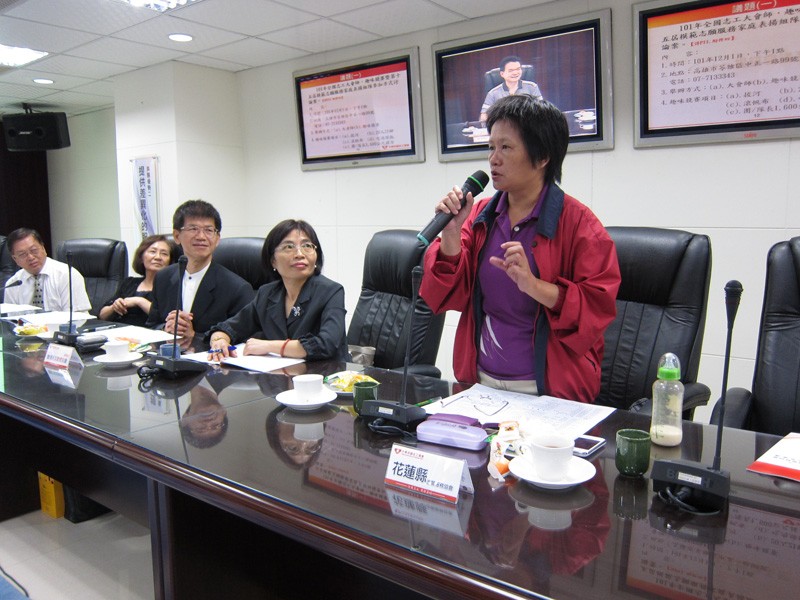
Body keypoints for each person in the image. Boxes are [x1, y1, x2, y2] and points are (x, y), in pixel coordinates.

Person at [420, 95, 620, 403]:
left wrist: (534, 286)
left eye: (506, 147)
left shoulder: (581, 225)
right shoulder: (479, 215)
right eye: (491, 147)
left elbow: (596, 310)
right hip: (481, 384)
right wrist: (450, 233)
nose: (493, 159)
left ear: (542, 157)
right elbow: (444, 293)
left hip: (548, 392)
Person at [207, 219, 348, 362]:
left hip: (326, 373)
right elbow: (230, 327)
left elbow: (326, 344)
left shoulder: (330, 291)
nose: (300, 254)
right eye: (289, 247)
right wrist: (220, 340)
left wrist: (269, 346)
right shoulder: (267, 293)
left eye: (307, 246)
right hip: (279, 374)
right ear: (273, 261)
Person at [146, 200, 255, 344]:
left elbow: (244, 341)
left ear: (217, 238)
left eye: (209, 230)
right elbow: (151, 325)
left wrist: (194, 336)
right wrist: (166, 328)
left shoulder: (237, 288)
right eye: (193, 229)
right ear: (177, 236)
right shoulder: (163, 277)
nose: (201, 237)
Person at [4, 227, 92, 312]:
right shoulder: (13, 284)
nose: (30, 257)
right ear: (15, 259)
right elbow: (11, 319)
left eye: (34, 250)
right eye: (23, 254)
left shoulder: (67, 275)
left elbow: (77, 317)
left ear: (43, 248)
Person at [98, 234, 177, 327]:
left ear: (170, 261)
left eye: (164, 254)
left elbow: (167, 318)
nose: (158, 257)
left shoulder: (172, 286)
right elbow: (101, 315)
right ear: (141, 257)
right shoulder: (129, 282)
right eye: (153, 252)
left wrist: (139, 301)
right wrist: (114, 307)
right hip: (120, 332)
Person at [479, 56, 543, 125]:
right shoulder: (493, 93)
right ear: (502, 74)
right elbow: (484, 117)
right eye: (511, 70)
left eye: (518, 69)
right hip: (504, 127)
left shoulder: (532, 87)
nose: (515, 73)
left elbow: (541, 110)